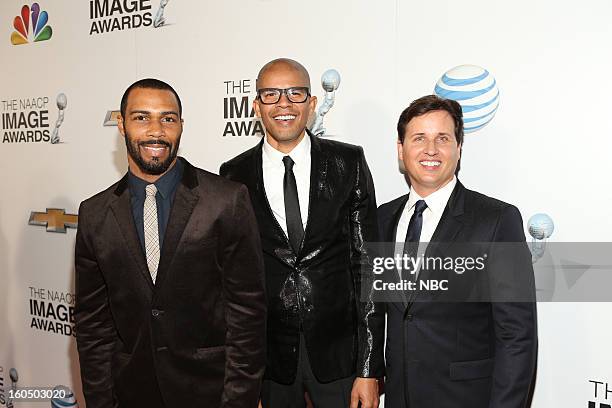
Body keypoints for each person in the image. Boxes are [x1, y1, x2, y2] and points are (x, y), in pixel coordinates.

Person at [75, 78, 266, 408]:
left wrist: (238, 401)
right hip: (132, 393)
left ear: (181, 125)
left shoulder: (225, 200)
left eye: (168, 118)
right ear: (121, 124)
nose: (156, 131)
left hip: (210, 394)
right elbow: (93, 326)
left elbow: (247, 315)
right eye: (141, 117)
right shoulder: (94, 214)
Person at [220, 58, 384, 408]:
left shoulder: (349, 163)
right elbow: (232, 282)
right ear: (256, 106)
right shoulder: (233, 175)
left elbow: (369, 268)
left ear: (311, 104)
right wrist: (243, 376)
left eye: (295, 93)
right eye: (271, 94)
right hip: (269, 358)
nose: (283, 104)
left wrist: (369, 369)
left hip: (339, 354)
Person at [378, 95, 537, 408]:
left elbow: (517, 336)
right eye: (419, 138)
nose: (431, 150)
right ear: (401, 149)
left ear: (459, 148)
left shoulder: (496, 220)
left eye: (443, 138)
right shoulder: (383, 218)